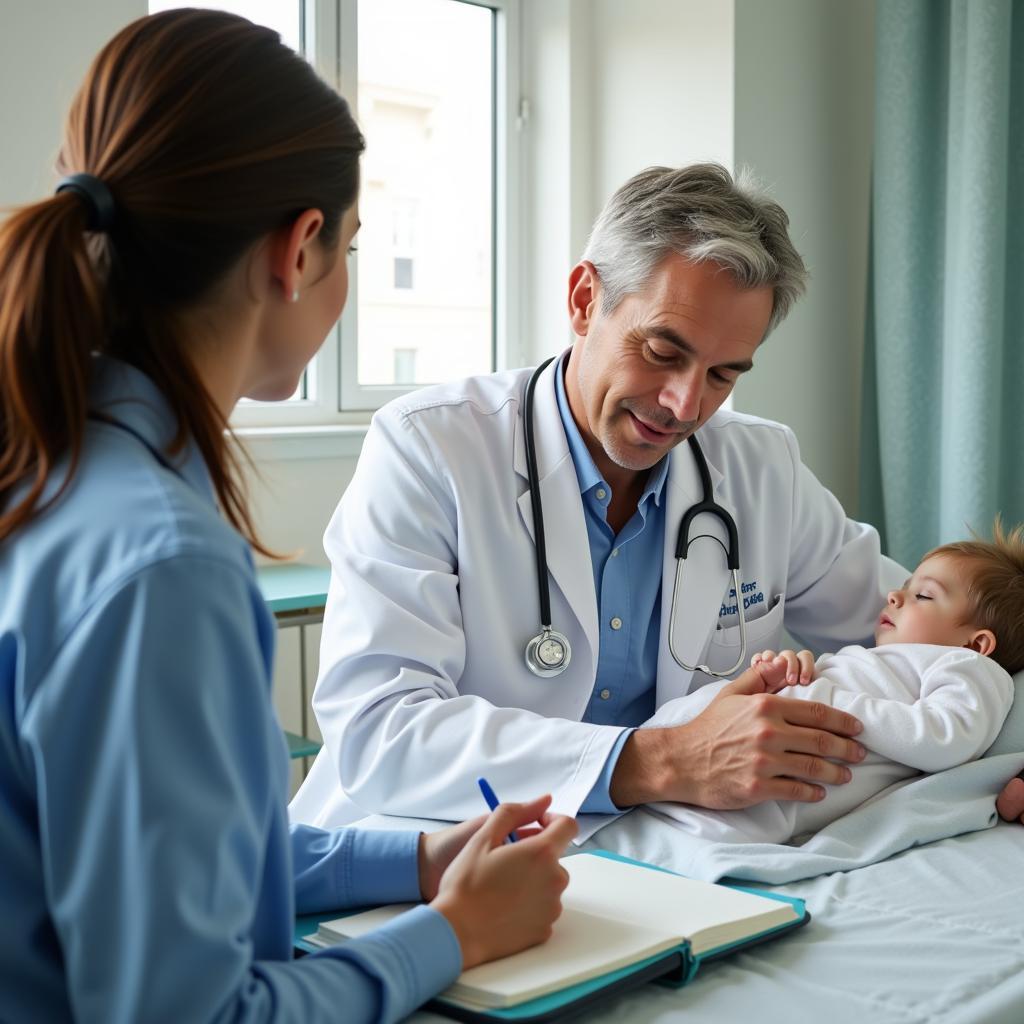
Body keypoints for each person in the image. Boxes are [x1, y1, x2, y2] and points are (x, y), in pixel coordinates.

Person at [0, 11, 577, 1023]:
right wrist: (453, 933)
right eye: (353, 243)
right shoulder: (161, 565)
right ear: (299, 250)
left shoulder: (45, 467)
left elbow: (165, 856)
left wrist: (417, 858)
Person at [296, 163, 909, 835]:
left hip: (663, 855)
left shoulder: (761, 465)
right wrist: (661, 760)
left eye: (724, 374)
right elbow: (381, 731)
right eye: (661, 351)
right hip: (437, 843)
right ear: (586, 299)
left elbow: (930, 631)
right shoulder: (429, 449)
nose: (686, 405)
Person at [642, 525, 1023, 843]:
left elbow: (944, 737)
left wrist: (823, 697)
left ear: (977, 643)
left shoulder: (970, 668)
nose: (894, 594)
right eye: (905, 586)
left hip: (763, 789)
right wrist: (792, 670)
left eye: (923, 595)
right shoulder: (888, 661)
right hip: (696, 743)